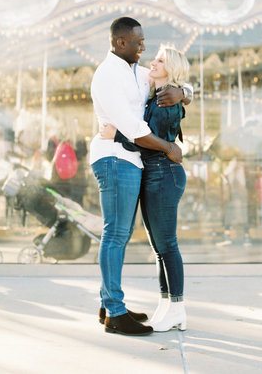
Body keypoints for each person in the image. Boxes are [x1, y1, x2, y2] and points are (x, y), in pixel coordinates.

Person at [90, 17, 191, 337]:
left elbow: (177, 80)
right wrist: (170, 148)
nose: (144, 48)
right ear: (121, 43)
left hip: (134, 161)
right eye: (138, 42)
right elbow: (134, 130)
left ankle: (110, 305)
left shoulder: (137, 71)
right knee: (116, 234)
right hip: (115, 157)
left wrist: (183, 91)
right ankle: (115, 312)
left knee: (124, 235)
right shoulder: (107, 74)